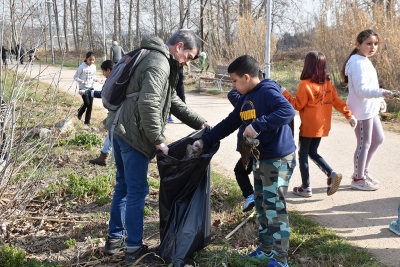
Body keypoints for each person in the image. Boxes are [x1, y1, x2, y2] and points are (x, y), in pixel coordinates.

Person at [102, 29, 207, 265]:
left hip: (120, 129)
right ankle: (134, 250)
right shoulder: (160, 63)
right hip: (134, 135)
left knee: (124, 186)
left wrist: (199, 121)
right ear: (179, 46)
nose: (187, 63)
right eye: (188, 57)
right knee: (137, 191)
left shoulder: (154, 56)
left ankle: (115, 239)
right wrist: (158, 140)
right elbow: (149, 103)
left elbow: (171, 101)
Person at [192, 55, 296, 267]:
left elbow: (287, 111)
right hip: (261, 158)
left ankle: (281, 259)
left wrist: (259, 125)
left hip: (278, 159)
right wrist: (205, 140)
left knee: (274, 207)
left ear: (246, 77)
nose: (232, 85)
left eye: (234, 81)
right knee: (262, 204)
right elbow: (229, 123)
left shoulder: (267, 91)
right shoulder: (245, 98)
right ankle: (266, 250)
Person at [282, 51, 356, 198]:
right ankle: (331, 173)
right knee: (312, 152)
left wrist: (284, 93)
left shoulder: (305, 85)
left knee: (303, 153)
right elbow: (337, 102)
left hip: (309, 126)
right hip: (322, 126)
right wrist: (349, 115)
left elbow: (297, 105)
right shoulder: (327, 84)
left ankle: (306, 187)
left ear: (307, 65)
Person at [341, 29, 394, 191]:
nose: (373, 47)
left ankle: (362, 170)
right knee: (364, 143)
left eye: (375, 44)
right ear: (358, 45)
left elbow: (371, 85)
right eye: (369, 43)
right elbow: (361, 90)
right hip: (361, 111)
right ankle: (357, 179)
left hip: (370, 108)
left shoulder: (365, 60)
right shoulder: (357, 63)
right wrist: (381, 92)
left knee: (378, 139)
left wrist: (380, 99)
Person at [78, 60, 114, 166]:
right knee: (112, 134)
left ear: (108, 70)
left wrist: (86, 92)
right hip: (119, 111)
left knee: (114, 134)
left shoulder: (111, 80)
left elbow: (102, 94)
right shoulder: (120, 76)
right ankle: (104, 156)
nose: (103, 74)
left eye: (103, 72)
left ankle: (106, 157)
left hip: (117, 112)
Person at [73, 52, 99, 126]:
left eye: (93, 60)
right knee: (87, 103)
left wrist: (97, 80)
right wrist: (81, 81)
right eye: (90, 60)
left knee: (90, 105)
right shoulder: (81, 67)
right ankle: (80, 112)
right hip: (83, 88)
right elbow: (75, 77)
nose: (91, 61)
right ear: (86, 59)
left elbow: (93, 77)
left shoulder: (94, 67)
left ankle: (87, 122)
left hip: (91, 87)